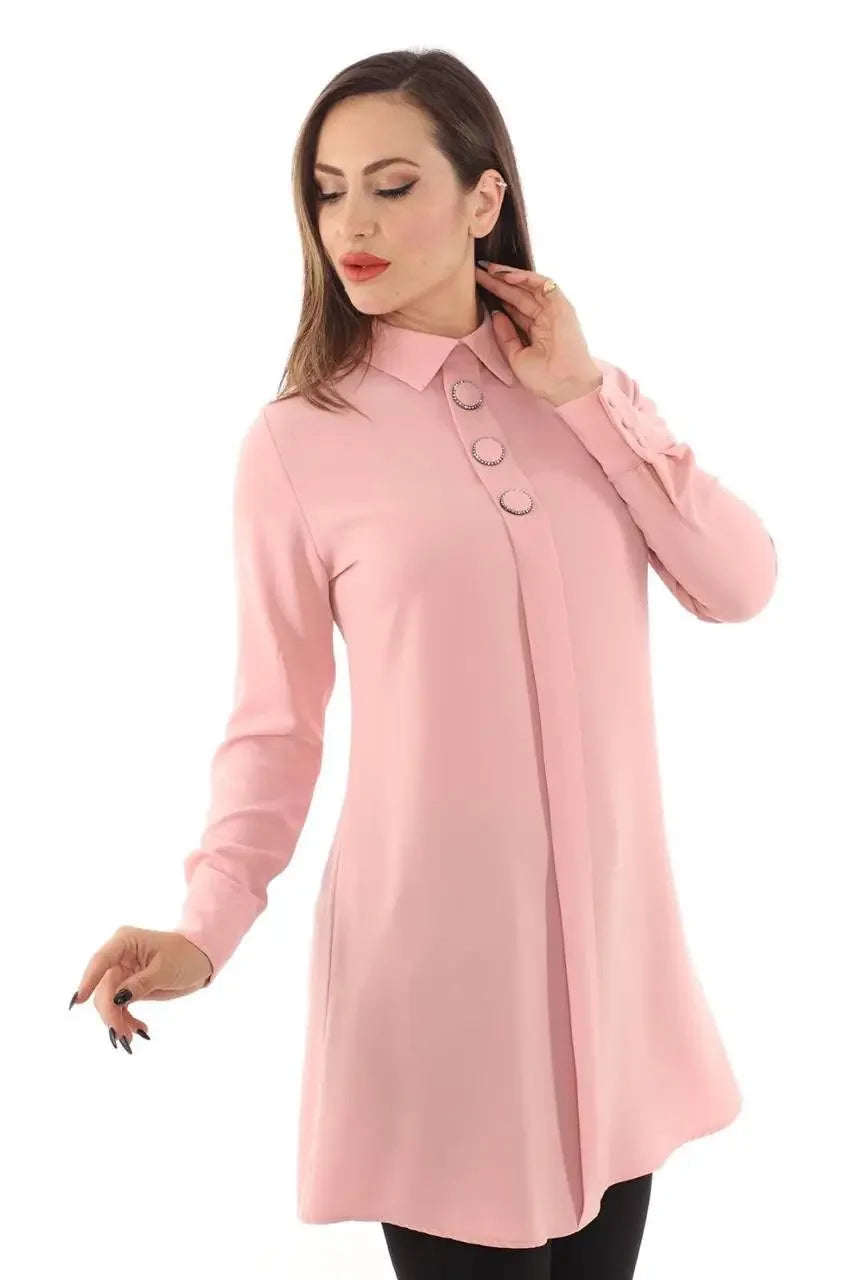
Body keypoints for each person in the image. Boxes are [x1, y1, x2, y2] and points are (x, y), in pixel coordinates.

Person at [68, 47, 777, 1279]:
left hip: (613, 978)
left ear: (483, 198)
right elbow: (275, 727)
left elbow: (741, 582)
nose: (353, 223)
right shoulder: (297, 443)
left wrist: (585, 394)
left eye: (393, 185)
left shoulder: (586, 395)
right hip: (438, 987)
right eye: (329, 190)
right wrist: (205, 925)